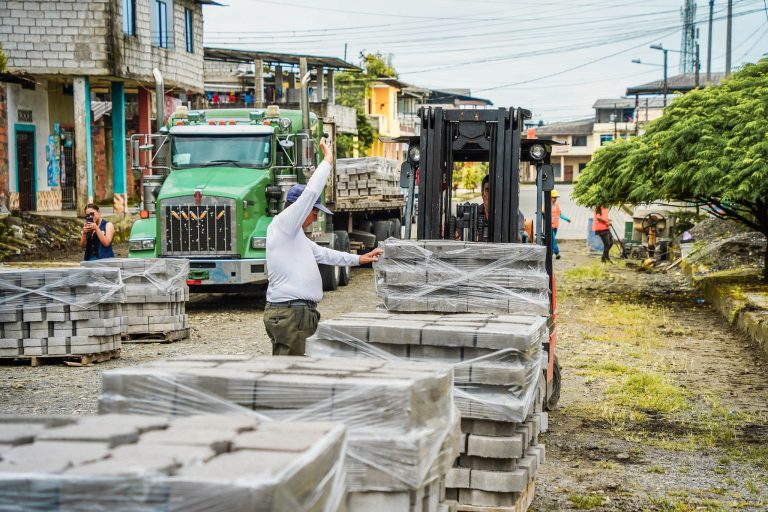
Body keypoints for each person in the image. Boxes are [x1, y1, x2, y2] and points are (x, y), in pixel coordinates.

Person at [263, 141, 383, 356]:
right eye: (314, 211)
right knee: (291, 371)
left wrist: (359, 259)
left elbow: (324, 254)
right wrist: (327, 161)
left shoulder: (294, 235)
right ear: (299, 208)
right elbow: (310, 193)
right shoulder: (284, 224)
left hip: (298, 312)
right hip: (290, 313)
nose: (317, 215)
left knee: (301, 369)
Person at [481, 174, 526, 242]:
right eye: (488, 191)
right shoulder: (473, 212)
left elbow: (517, 239)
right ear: (482, 194)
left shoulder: (514, 214)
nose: (492, 195)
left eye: (495, 191)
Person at [550, 190, 571, 259]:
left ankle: (550, 252)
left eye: (556, 197)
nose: (555, 199)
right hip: (550, 226)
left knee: (551, 240)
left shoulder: (557, 205)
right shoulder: (546, 205)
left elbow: (560, 214)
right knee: (553, 240)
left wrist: (566, 219)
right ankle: (557, 253)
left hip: (556, 226)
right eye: (554, 197)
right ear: (550, 197)